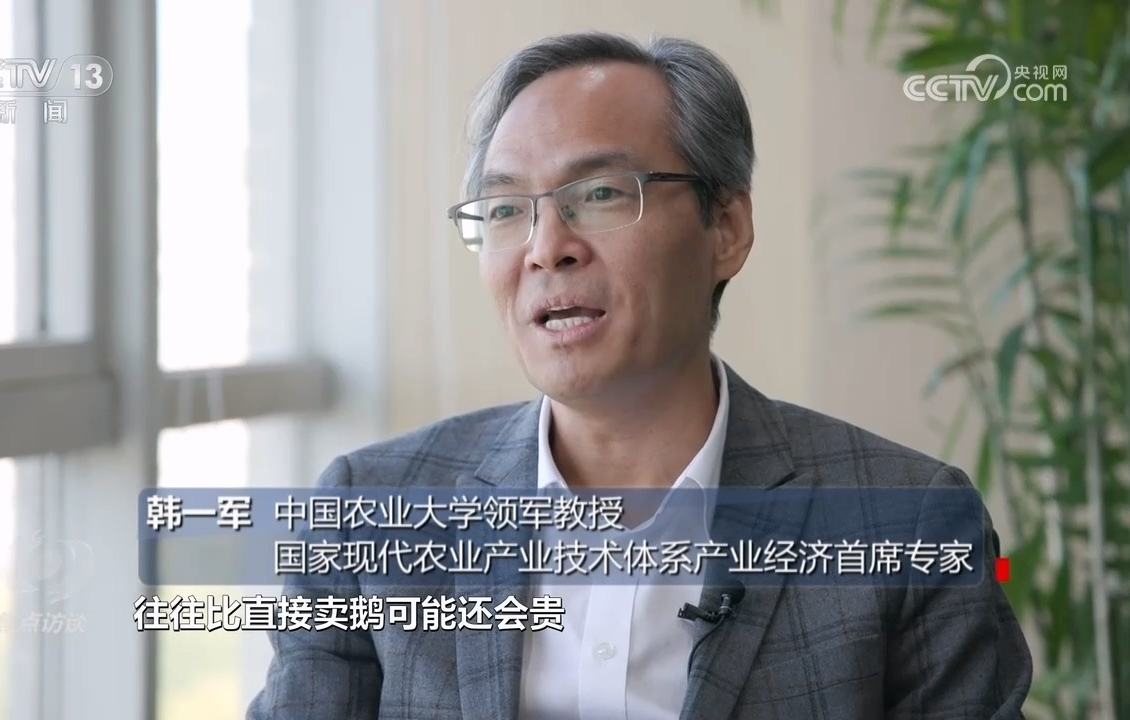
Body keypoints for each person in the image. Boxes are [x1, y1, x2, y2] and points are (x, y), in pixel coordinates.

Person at [247, 31, 1032, 720]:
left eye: (599, 194)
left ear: (726, 228)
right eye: (507, 209)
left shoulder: (909, 525)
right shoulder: (366, 515)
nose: (545, 248)